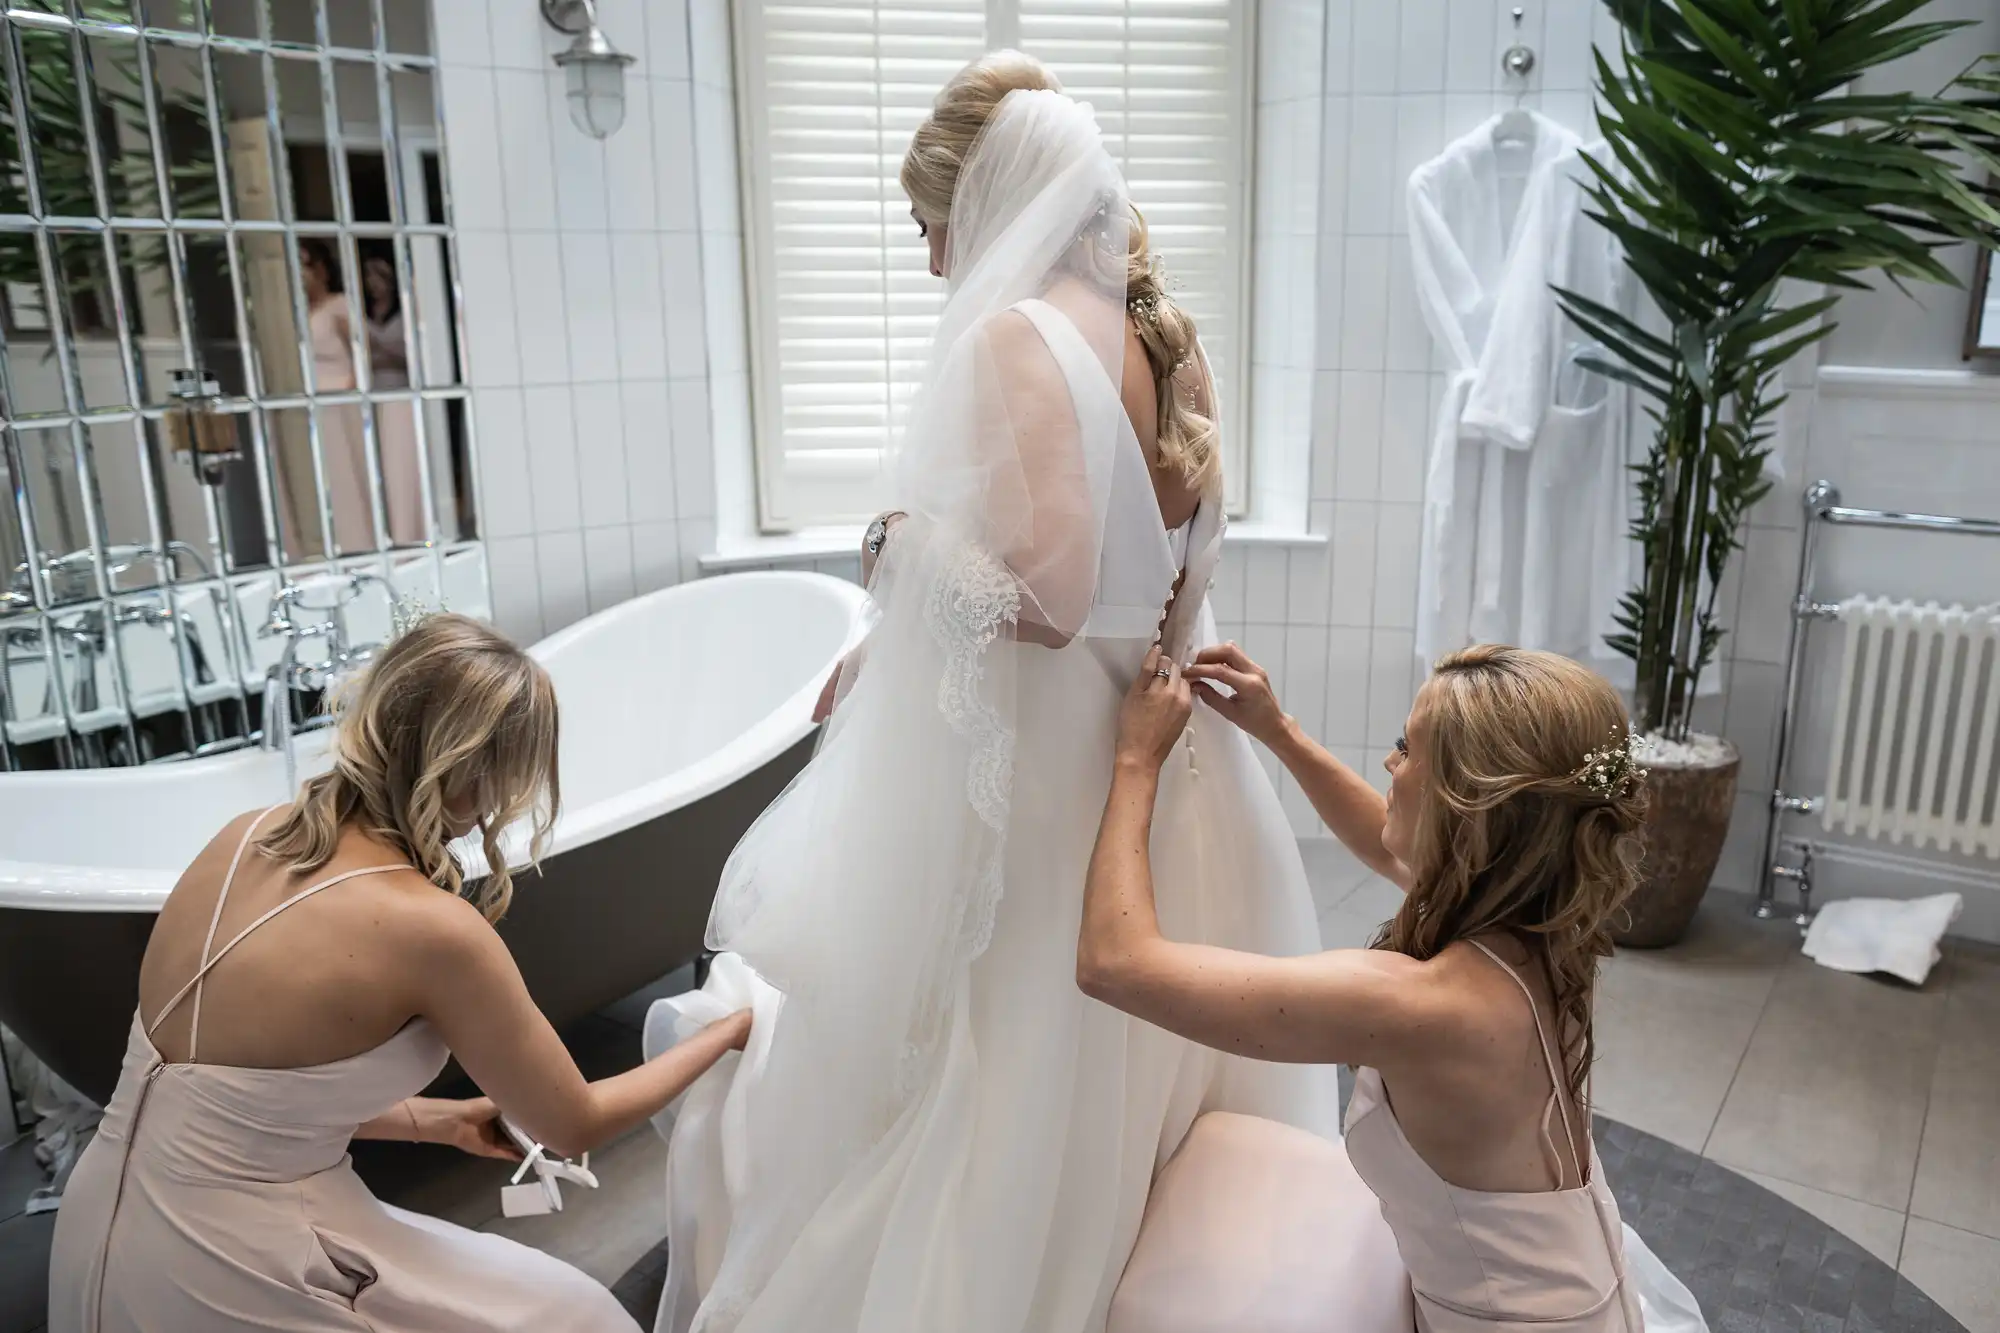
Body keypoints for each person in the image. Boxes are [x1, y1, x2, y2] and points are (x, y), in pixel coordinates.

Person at [644, 51, 1337, 1333]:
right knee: (1139, 1062)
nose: (927, 263)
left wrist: (891, 546)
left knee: (1014, 1059)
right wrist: (893, 642)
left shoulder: (1021, 339)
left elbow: (1052, 594)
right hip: (1165, 755)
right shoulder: (1159, 339)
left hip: (1059, 782)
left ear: (995, 200)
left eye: (929, 226)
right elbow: (1154, 585)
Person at [48, 614, 750, 1333]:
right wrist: (726, 1028)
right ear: (479, 775)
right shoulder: (432, 928)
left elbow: (225, 1096)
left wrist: (438, 1122)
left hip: (98, 1226)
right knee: (576, 1319)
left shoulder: (241, 836)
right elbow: (574, 1122)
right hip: (225, 1266)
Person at [1082, 642, 1708, 1333]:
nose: (1389, 764)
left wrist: (1136, 760)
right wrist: (1277, 730)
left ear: (1465, 806)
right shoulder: (1542, 923)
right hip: (1570, 1295)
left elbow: (1115, 961)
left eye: (1405, 749)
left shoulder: (1421, 1005)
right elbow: (1389, 846)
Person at [299, 238, 374, 554]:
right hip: (310, 401)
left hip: (341, 400)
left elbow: (361, 350)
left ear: (321, 269)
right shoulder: (295, 310)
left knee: (348, 472)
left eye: (306, 264)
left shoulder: (339, 304)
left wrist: (355, 389)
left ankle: (360, 540)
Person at [361, 253, 427, 546]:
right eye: (369, 277)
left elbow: (413, 353)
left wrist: (381, 343)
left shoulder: (404, 312)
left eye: (380, 277)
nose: (374, 284)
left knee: (400, 459)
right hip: (370, 391)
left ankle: (410, 530)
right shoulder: (363, 312)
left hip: (399, 389)